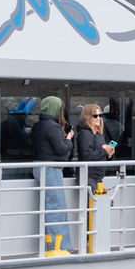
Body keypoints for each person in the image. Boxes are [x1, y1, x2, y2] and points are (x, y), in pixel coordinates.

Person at [31, 95, 75, 252]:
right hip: (51, 169)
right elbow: (61, 149)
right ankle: (60, 247)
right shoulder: (53, 126)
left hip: (39, 167)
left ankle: (52, 245)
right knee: (56, 208)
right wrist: (69, 139)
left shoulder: (38, 126)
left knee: (49, 207)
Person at [73, 103, 114, 187]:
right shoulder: (85, 133)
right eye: (95, 116)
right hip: (88, 176)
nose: (98, 118)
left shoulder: (99, 133)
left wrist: (109, 152)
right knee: (90, 200)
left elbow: (99, 151)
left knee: (95, 199)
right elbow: (87, 155)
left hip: (98, 175)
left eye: (100, 115)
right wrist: (104, 150)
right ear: (87, 117)